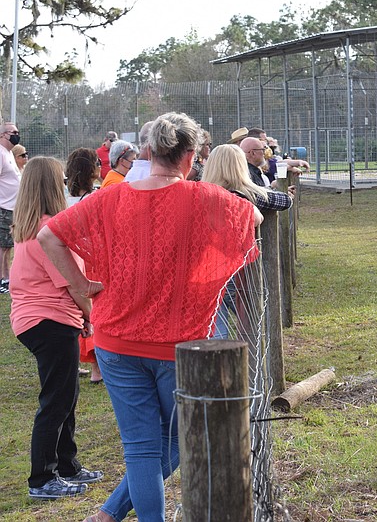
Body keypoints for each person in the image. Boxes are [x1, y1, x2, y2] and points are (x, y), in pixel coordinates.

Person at [39, 112, 261, 522]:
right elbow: (253, 219)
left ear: (146, 151)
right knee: (175, 442)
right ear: (191, 155)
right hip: (180, 346)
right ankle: (110, 513)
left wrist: (80, 286)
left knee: (142, 449)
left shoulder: (109, 197)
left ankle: (109, 514)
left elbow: (48, 236)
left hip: (116, 342)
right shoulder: (206, 197)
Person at [10, 156, 103, 500]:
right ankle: (42, 478)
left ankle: (67, 464)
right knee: (56, 400)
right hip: (49, 319)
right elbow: (75, 283)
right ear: (53, 185)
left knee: (66, 395)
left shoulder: (29, 227)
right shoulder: (50, 230)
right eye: (61, 178)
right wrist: (92, 316)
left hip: (35, 319)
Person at [202, 144, 294, 339]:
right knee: (252, 326)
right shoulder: (246, 195)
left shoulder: (200, 193)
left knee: (215, 330)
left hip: (206, 273)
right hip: (238, 274)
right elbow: (285, 201)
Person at [65, 147, 103, 383]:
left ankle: (91, 365)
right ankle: (98, 368)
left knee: (82, 313)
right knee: (94, 311)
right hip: (92, 260)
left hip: (73, 261)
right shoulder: (95, 198)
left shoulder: (63, 198)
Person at [0, 121, 22, 294]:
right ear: (2, 134)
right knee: (2, 246)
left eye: (17, 131)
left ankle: (6, 277)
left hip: (12, 207)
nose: (16, 134)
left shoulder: (8, 153)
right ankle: (2, 279)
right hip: (3, 207)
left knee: (8, 246)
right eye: (12, 132)